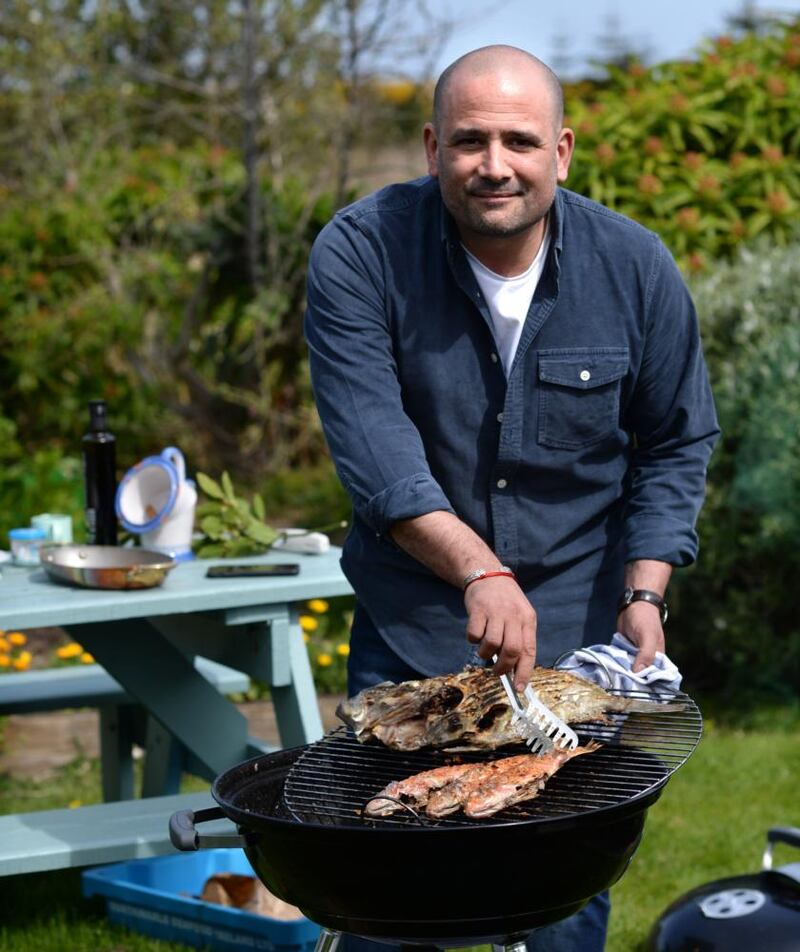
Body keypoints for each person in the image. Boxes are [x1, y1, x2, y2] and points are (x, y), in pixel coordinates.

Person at [304, 45, 719, 952]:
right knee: (395, 891)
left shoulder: (634, 268)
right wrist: (480, 572)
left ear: (561, 152)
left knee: (558, 899)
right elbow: (376, 454)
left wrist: (645, 593)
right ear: (430, 148)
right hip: (414, 628)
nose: (496, 164)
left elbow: (679, 438)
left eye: (520, 141)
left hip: (579, 642)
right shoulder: (361, 253)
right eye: (470, 140)